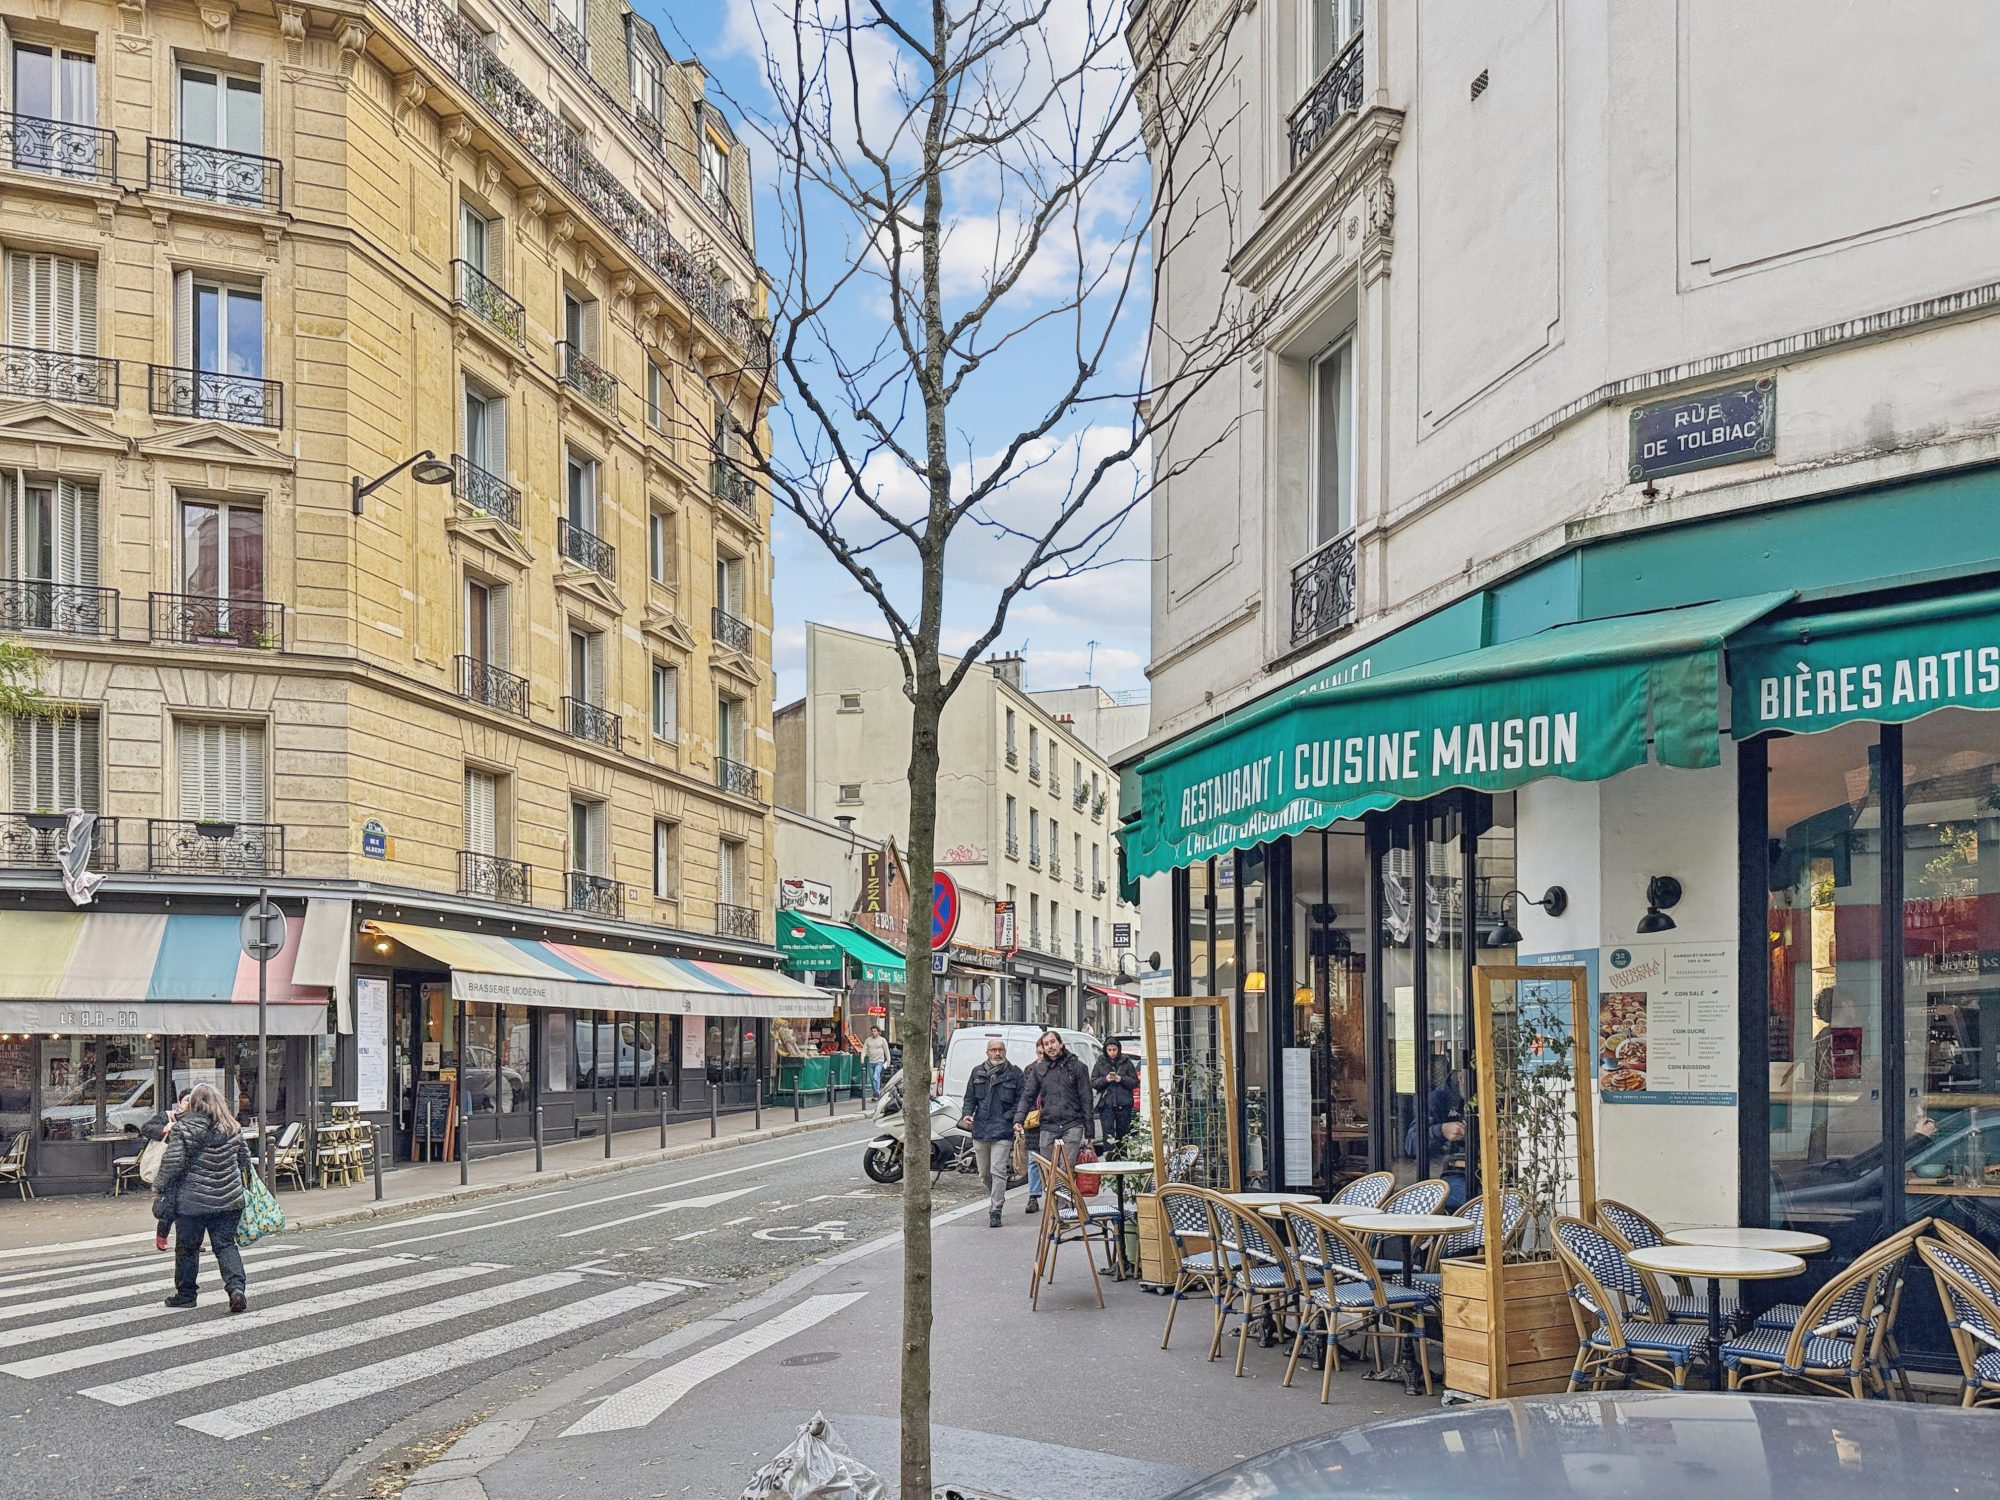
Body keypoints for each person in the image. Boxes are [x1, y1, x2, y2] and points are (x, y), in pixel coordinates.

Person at [152, 1082, 254, 1313]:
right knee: (226, 1245)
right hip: (229, 1199)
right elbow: (244, 1161)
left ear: (194, 1103)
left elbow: (173, 1163)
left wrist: (160, 1187)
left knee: (187, 1248)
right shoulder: (232, 1127)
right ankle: (236, 1288)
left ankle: (186, 1295)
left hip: (192, 1201)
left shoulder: (184, 1128)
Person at [1014, 1029, 1094, 1216]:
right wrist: (1019, 1119)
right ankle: (1055, 1204)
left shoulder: (1077, 1067)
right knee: (1048, 1168)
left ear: (1060, 1044)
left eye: (1053, 1042)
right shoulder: (1039, 1070)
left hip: (1072, 1123)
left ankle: (1063, 1210)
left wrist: (1089, 1132)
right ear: (1043, 1048)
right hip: (1048, 1124)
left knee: (1066, 1167)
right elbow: (1028, 1095)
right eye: (1046, 1044)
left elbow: (1086, 1099)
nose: (1050, 1046)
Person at [957, 1037, 1023, 1228]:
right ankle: (996, 1194)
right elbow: (969, 1098)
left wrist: (1009, 1117)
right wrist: (967, 1114)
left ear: (1005, 1052)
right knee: (984, 1174)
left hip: (1003, 1130)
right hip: (981, 1128)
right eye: (993, 1050)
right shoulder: (977, 1072)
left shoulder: (1014, 1073)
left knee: (998, 1170)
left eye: (1000, 1050)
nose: (997, 1053)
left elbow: (1021, 1100)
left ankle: (996, 1209)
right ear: (987, 1052)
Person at [138, 1090, 191, 1252]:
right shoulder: (167, 1116)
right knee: (169, 1205)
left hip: (189, 1168)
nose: (189, 1103)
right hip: (168, 1167)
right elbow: (146, 1128)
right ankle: (162, 1234)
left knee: (189, 1208)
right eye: (186, 1100)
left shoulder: (197, 1119)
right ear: (179, 1102)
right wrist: (165, 1128)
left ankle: (190, 1241)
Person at [1091, 1038, 1138, 1146]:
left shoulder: (1126, 1062)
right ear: (1105, 1050)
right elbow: (1093, 1082)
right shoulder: (1101, 1062)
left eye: (1114, 1050)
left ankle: (1122, 1155)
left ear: (1118, 1049)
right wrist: (1105, 1079)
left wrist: (1121, 1079)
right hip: (1106, 1105)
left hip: (1123, 1105)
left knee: (1123, 1135)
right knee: (1108, 1136)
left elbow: (1134, 1082)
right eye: (1109, 1050)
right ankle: (1109, 1155)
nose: (1112, 1053)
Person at [862, 1025, 890, 1101]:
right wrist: (862, 1058)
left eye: (875, 1031)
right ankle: (875, 1092)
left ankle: (877, 1093)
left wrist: (888, 1060)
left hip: (879, 1061)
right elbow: (864, 1049)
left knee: (875, 1076)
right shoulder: (868, 1040)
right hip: (871, 1061)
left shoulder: (882, 1040)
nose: (873, 1032)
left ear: (878, 1032)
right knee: (872, 1079)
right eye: (872, 1031)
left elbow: (886, 1050)